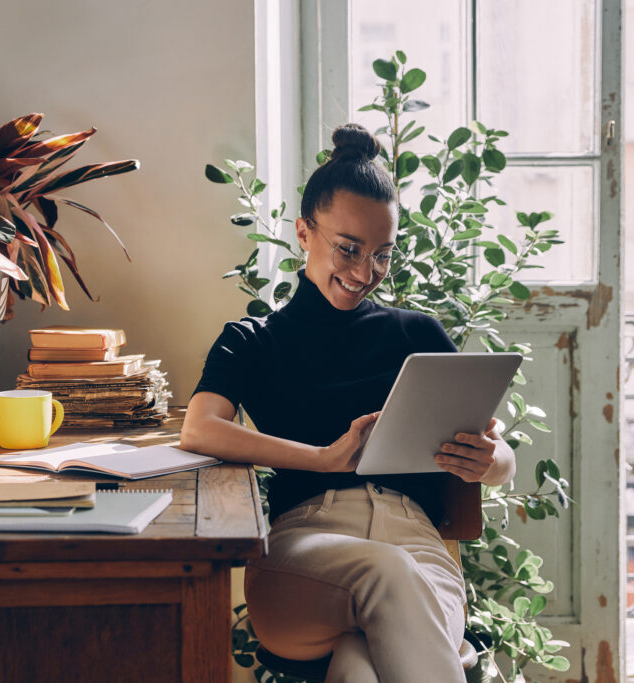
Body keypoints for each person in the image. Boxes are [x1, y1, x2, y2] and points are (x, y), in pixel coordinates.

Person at [180, 123, 516, 683]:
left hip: (417, 544)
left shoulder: (419, 335)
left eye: (382, 254)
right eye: (349, 249)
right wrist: (322, 458)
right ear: (304, 233)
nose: (365, 273)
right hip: (304, 553)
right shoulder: (253, 340)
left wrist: (490, 460)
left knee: (360, 665)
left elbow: (500, 456)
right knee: (388, 573)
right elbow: (199, 429)